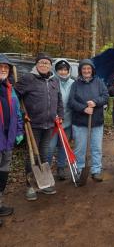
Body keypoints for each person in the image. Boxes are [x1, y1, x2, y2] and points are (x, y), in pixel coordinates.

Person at [15, 52, 63, 201]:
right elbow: (14, 97)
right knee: (31, 156)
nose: (44, 65)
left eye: (47, 63)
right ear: (36, 64)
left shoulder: (54, 80)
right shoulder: (28, 79)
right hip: (33, 124)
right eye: (41, 62)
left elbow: (59, 100)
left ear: (50, 65)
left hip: (49, 124)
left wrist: (60, 115)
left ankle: (44, 184)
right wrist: (22, 113)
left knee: (44, 154)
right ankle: (30, 185)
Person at [69, 59, 109, 182]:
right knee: (80, 148)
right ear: (80, 71)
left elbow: (106, 97)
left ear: (92, 70)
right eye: (84, 69)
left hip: (96, 121)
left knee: (96, 147)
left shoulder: (99, 82)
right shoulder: (75, 84)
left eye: (89, 69)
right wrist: (83, 109)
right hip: (80, 122)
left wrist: (95, 102)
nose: (86, 71)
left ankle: (96, 170)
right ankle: (81, 170)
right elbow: (71, 102)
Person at [0, 54, 23, 226]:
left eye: (6, 68)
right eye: (0, 67)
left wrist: (19, 131)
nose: (3, 70)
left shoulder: (10, 88)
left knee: (3, 173)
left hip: (7, 139)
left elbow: (17, 113)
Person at [48, 59, 74, 180]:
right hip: (53, 122)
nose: (63, 72)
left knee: (64, 146)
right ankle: (46, 169)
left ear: (68, 71)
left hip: (67, 121)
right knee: (50, 147)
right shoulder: (51, 82)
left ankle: (61, 168)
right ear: (56, 70)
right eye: (60, 69)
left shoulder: (73, 83)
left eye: (65, 70)